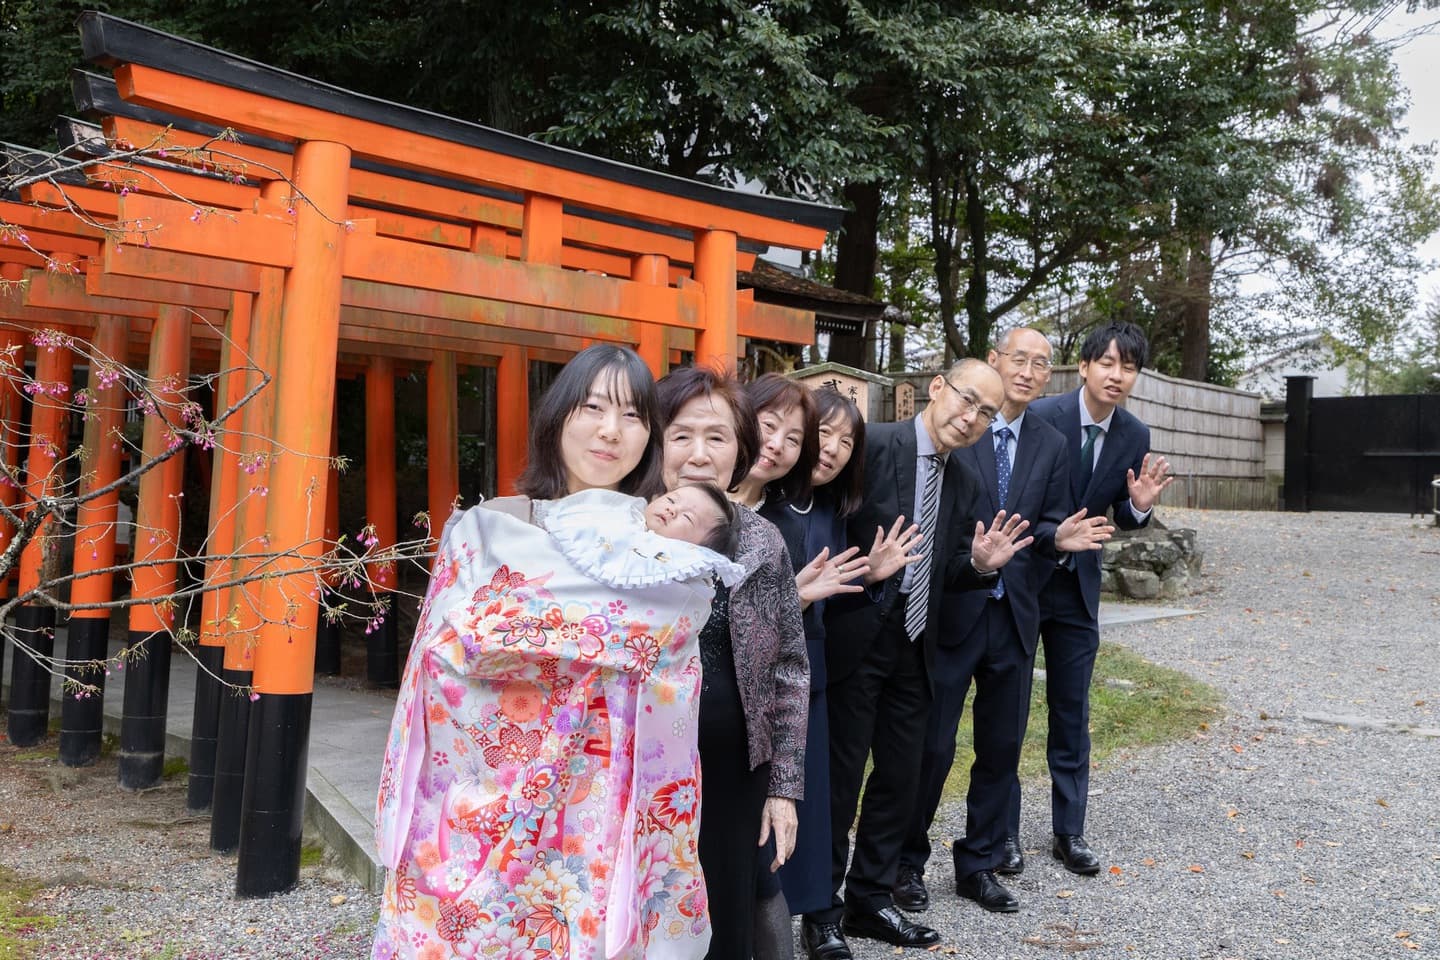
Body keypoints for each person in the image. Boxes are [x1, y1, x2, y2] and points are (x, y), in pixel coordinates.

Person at [372, 345, 739, 960]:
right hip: (479, 791)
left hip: (596, 815)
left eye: (631, 416)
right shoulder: (489, 526)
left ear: (649, 436)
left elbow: (672, 672)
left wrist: (544, 635)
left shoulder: (668, 548)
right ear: (558, 415)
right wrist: (592, 643)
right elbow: (442, 655)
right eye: (592, 407)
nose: (609, 431)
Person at [804, 359, 1034, 959]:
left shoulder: (964, 481)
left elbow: (949, 567)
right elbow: (822, 525)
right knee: (841, 780)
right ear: (937, 388)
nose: (972, 418)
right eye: (967, 401)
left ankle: (870, 898)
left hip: (917, 645)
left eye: (987, 413)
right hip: (855, 636)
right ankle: (821, 909)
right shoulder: (873, 446)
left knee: (903, 777)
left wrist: (981, 566)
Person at [895, 328, 1114, 916]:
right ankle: (904, 865)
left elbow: (1046, 524)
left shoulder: (1049, 442)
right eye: (1018, 358)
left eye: (1041, 364)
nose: (1028, 370)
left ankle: (981, 862)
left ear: (1049, 377)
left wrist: (1058, 537)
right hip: (953, 609)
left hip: (1017, 613)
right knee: (932, 746)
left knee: (1000, 748)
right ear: (994, 361)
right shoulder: (960, 426)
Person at [656, 366, 809, 960]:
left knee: (723, 917)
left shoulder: (761, 540)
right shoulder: (625, 529)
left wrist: (783, 787)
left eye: (717, 438)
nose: (699, 454)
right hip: (632, 772)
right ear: (657, 441)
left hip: (729, 774)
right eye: (682, 434)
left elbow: (790, 669)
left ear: (740, 450)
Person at [1017, 321, 1173, 877]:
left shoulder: (1134, 434)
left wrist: (1139, 506)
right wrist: (1050, 536)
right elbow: (1017, 497)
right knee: (1007, 712)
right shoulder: (1041, 417)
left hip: (1079, 590)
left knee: (1072, 712)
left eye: (1128, 366)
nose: (1116, 374)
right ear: (1083, 367)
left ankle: (1069, 831)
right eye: (1106, 363)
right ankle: (999, 835)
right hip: (1025, 578)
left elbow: (1123, 517)